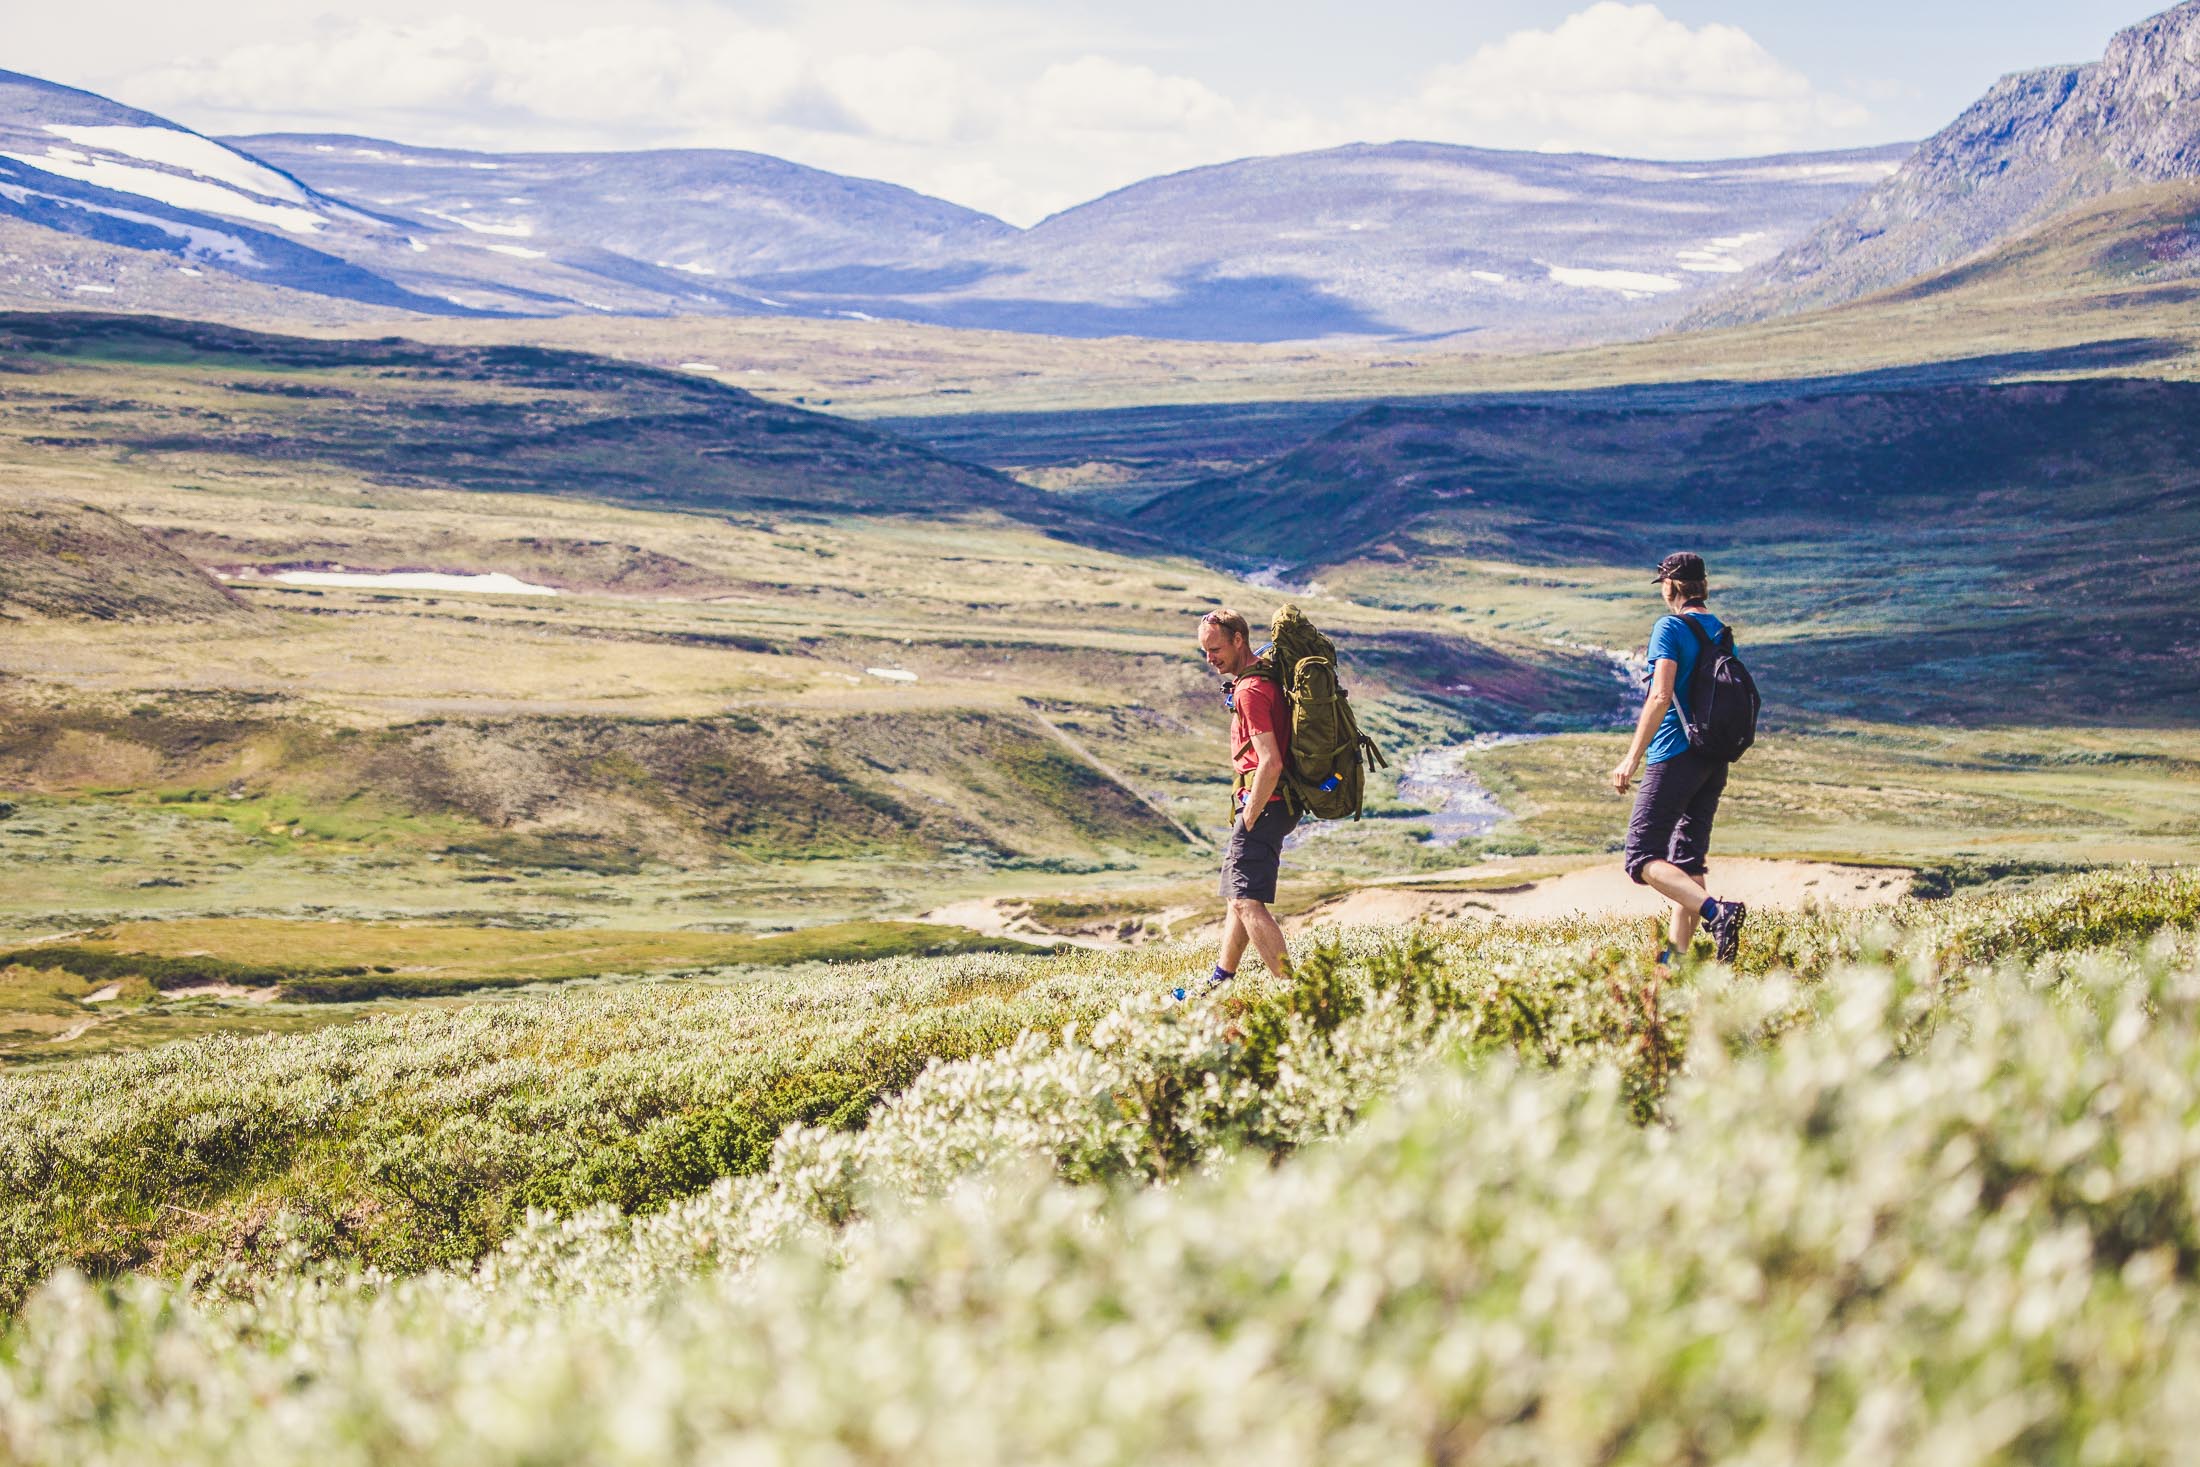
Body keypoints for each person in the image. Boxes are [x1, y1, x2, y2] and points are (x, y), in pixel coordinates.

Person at [1609, 552, 1748, 965]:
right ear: (1704, 586)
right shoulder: (1721, 634)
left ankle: (1717, 913)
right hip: (1713, 758)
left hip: (1673, 753)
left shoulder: (1668, 627)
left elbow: (1660, 694)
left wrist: (1631, 758)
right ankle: (1675, 963)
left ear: (1670, 587)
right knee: (1687, 863)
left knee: (1641, 857)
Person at [1185, 607, 1296, 997]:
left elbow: (1271, 761)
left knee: (1248, 902)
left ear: (1238, 640)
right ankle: (1220, 981)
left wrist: (1249, 817)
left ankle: (1292, 992)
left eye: (1215, 649)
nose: (1210, 658)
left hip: (1264, 804)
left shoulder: (1250, 691)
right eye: (1205, 651)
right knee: (1238, 895)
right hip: (1269, 803)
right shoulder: (1260, 678)